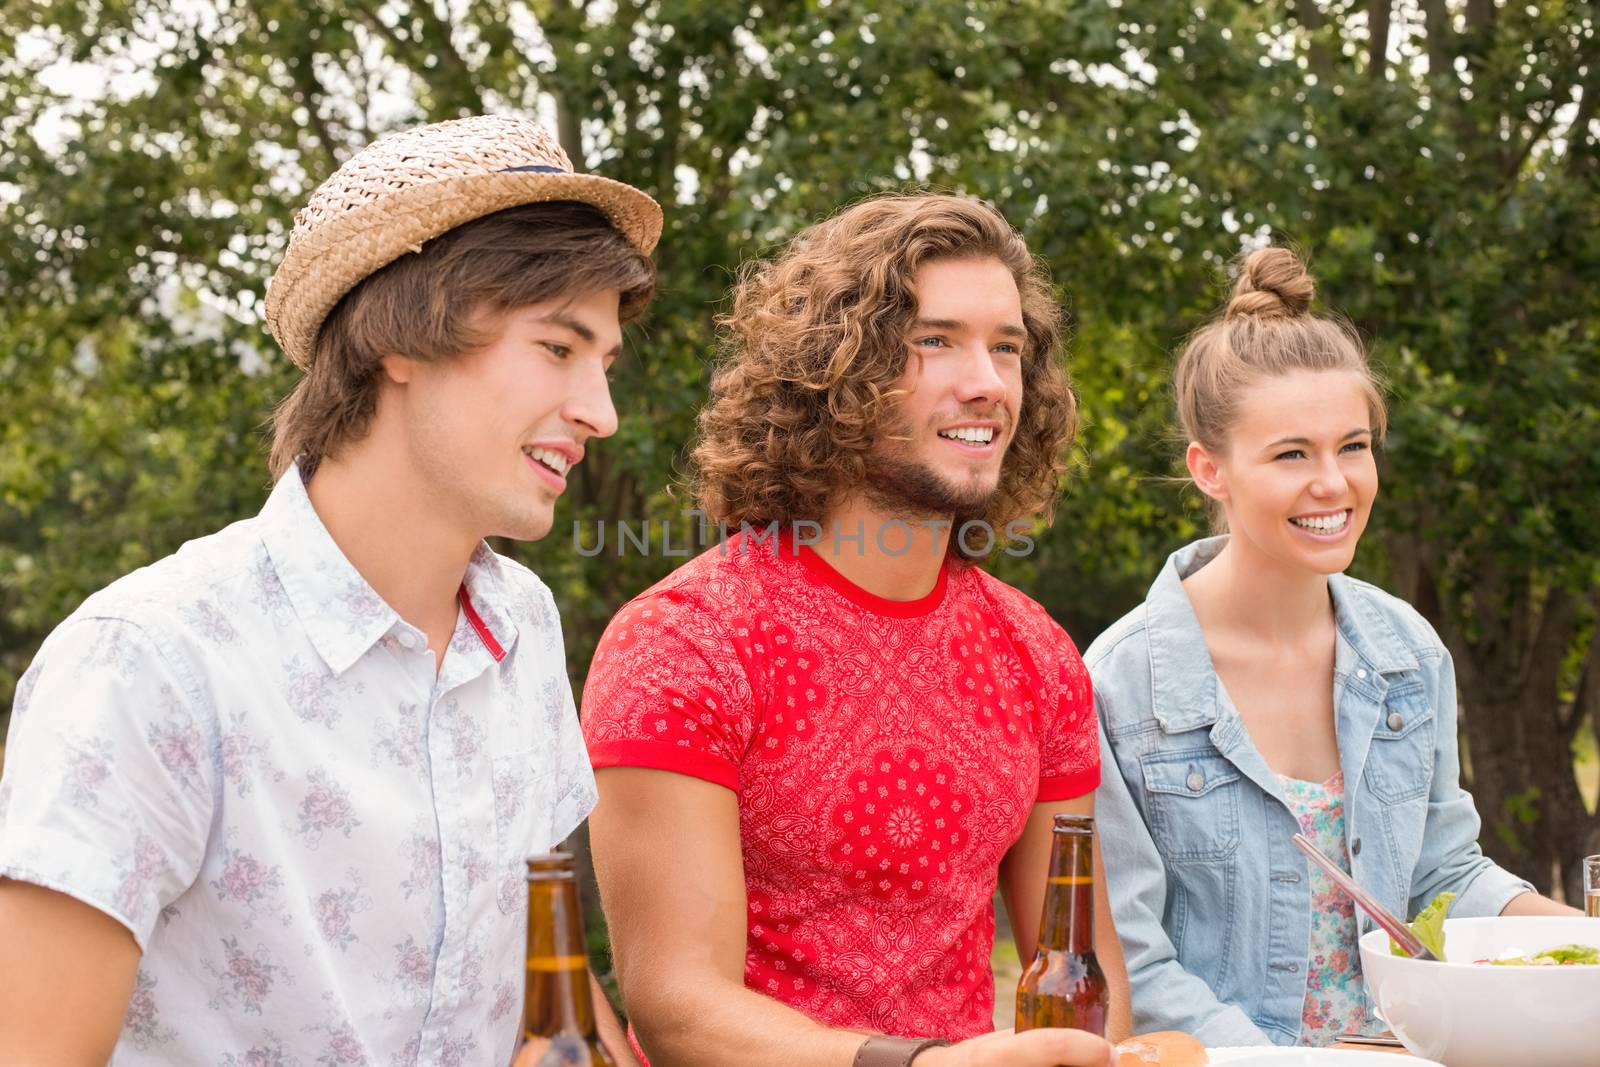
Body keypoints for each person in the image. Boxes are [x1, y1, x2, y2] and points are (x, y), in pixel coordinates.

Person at [0, 115, 661, 1066]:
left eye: (604, 364)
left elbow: (543, 979)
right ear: (402, 338)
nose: (601, 412)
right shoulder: (148, 661)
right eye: (559, 348)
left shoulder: (522, 623)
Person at [580, 193, 1128, 1067]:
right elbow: (676, 1007)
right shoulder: (682, 645)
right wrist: (918, 1065)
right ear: (833, 371)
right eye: (934, 341)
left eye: (1008, 348)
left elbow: (1083, 976)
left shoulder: (1038, 654)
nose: (986, 381)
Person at [1087, 246, 1579, 1047]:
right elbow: (1134, 968)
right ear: (1210, 469)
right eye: (1291, 454)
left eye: (1353, 445)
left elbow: (1443, 878)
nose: (1335, 483)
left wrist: (1585, 948)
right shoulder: (1121, 684)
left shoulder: (1408, 654)